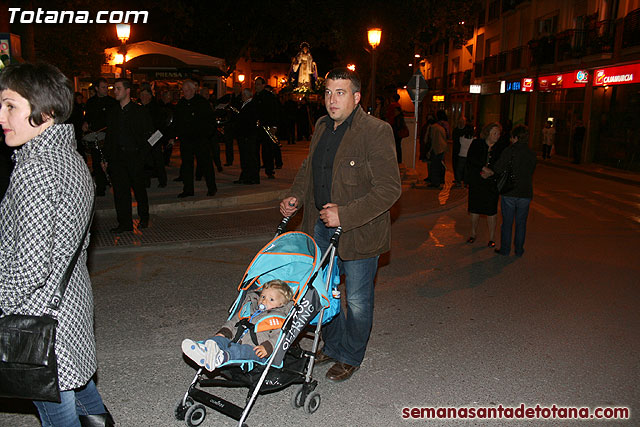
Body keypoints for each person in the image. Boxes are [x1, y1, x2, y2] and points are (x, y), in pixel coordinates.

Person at [0, 62, 114, 426]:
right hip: (69, 302)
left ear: (45, 112)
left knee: (56, 411)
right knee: (78, 387)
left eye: (10, 106)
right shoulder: (69, 157)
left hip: (40, 316)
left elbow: (30, 267)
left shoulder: (36, 168)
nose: (2, 116)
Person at [280, 68, 401, 382]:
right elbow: (310, 168)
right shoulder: (321, 125)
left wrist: (344, 215)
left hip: (359, 231)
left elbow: (389, 189)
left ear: (357, 97)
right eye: (328, 92)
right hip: (319, 227)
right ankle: (333, 345)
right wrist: (296, 197)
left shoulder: (375, 130)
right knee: (321, 293)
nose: (332, 100)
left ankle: (351, 355)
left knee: (357, 300)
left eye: (341, 92)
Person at [181, 280, 294, 370]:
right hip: (234, 341)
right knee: (219, 340)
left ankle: (221, 357)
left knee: (241, 351)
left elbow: (279, 336)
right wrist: (223, 333)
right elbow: (234, 321)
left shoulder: (279, 319)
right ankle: (204, 349)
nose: (264, 301)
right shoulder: (250, 309)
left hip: (256, 351)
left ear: (282, 304)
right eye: (263, 297)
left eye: (271, 299)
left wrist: (267, 347)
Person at [104, 78, 154, 233]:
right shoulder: (113, 112)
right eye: (115, 89)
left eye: (118, 88)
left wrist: (142, 155)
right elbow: (109, 137)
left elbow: (152, 136)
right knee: (120, 192)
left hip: (134, 158)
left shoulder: (139, 111)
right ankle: (124, 223)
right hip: (117, 159)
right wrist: (106, 159)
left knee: (139, 189)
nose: (115, 91)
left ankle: (144, 218)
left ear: (127, 91)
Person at [494, 125, 537, 257]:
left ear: (516, 137)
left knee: (507, 222)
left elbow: (498, 167)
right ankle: (519, 249)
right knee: (521, 223)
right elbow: (531, 170)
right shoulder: (531, 153)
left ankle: (505, 249)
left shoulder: (509, 151)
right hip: (525, 192)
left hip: (510, 191)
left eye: (512, 137)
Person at [174, 79, 217, 198]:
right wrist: (176, 135)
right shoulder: (181, 104)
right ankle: (188, 189)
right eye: (184, 90)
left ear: (193, 90)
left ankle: (212, 187)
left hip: (200, 139)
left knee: (206, 164)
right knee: (187, 165)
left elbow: (210, 121)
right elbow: (177, 121)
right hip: (186, 140)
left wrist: (206, 135)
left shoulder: (202, 103)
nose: (185, 92)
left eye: (187, 90)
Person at [465, 122, 505, 247]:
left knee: (491, 210)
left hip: (491, 183)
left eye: (498, 133)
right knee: (474, 209)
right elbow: (471, 160)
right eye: (494, 133)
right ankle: (472, 233)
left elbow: (503, 165)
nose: (496, 135)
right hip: (477, 181)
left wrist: (491, 172)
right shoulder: (477, 144)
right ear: (487, 133)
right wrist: (482, 169)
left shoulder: (501, 147)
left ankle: (492, 237)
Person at [83, 77, 117, 196]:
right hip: (96, 135)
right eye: (103, 87)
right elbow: (87, 117)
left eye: (106, 87)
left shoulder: (112, 102)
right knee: (97, 162)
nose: (106, 89)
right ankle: (101, 186)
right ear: (97, 88)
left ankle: (112, 182)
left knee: (110, 160)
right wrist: (86, 124)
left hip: (108, 136)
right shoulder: (91, 102)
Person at [139, 85, 167, 188]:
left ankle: (162, 180)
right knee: (145, 160)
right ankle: (146, 181)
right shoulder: (139, 108)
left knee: (157, 159)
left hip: (155, 136)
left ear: (150, 96)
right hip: (143, 137)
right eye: (142, 95)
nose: (143, 97)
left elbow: (160, 124)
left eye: (146, 95)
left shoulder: (155, 108)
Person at [253, 77, 279, 179]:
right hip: (257, 128)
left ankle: (269, 170)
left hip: (267, 127)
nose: (256, 86)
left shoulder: (269, 97)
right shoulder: (255, 96)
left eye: (258, 84)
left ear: (263, 85)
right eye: (255, 84)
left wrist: (274, 126)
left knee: (267, 151)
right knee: (255, 150)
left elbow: (275, 112)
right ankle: (256, 170)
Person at [233, 88, 260, 184]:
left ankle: (253, 177)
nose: (242, 96)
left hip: (248, 135)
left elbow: (249, 120)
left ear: (248, 95)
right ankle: (245, 176)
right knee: (244, 157)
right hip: (244, 134)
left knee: (250, 156)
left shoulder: (252, 105)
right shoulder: (244, 104)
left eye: (243, 95)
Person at [217, 81, 243, 165]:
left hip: (239, 122)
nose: (235, 88)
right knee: (228, 142)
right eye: (234, 87)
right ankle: (229, 160)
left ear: (240, 88)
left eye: (237, 87)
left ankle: (243, 160)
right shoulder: (230, 96)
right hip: (230, 121)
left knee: (240, 143)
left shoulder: (242, 97)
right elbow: (219, 101)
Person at [427, 111, 448, 188]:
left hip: (437, 148)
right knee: (439, 165)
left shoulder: (433, 128)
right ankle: (440, 180)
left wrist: (430, 150)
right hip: (442, 148)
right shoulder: (441, 128)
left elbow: (432, 140)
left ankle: (435, 182)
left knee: (434, 166)